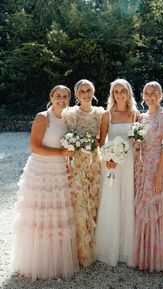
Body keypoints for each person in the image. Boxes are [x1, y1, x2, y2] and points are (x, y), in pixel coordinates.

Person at [11, 85, 78, 280]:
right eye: (58, 96)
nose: (62, 100)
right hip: (40, 170)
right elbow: (34, 146)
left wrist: (67, 160)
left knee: (56, 216)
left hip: (59, 171)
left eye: (65, 97)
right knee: (39, 216)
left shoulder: (67, 118)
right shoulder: (43, 117)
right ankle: (36, 263)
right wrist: (61, 154)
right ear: (51, 97)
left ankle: (55, 261)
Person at [95, 79, 138, 267]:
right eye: (116, 91)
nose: (120, 94)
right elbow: (101, 142)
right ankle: (108, 248)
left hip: (129, 164)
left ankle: (126, 250)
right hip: (111, 165)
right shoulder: (107, 115)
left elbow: (138, 139)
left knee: (127, 200)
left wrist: (136, 145)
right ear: (112, 94)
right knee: (111, 202)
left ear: (129, 93)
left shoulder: (136, 115)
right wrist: (108, 158)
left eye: (123, 91)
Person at [62, 79, 104, 266]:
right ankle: (80, 252)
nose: (86, 94)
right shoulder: (70, 114)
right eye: (82, 91)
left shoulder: (100, 113)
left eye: (89, 90)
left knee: (94, 201)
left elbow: (102, 140)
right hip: (77, 163)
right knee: (79, 203)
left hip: (94, 162)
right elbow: (65, 139)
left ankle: (96, 247)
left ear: (93, 92)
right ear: (77, 94)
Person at [134, 81, 163, 272]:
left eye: (153, 93)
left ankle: (156, 259)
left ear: (160, 95)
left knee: (155, 208)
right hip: (142, 168)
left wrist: (159, 176)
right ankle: (144, 257)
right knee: (142, 207)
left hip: (157, 167)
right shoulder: (142, 117)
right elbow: (140, 143)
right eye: (146, 93)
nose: (149, 96)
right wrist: (136, 144)